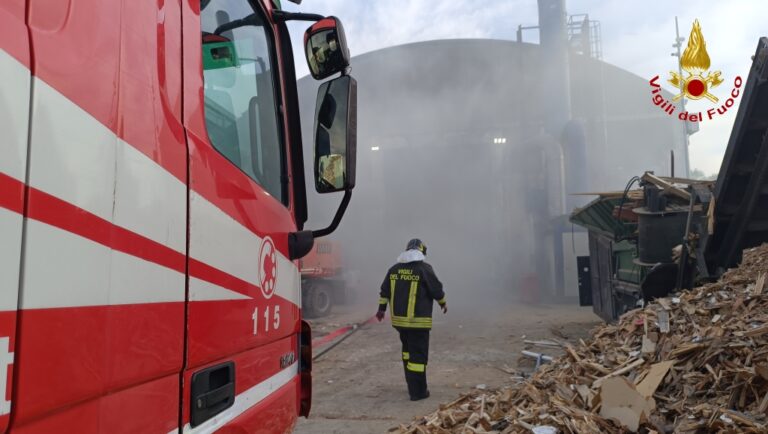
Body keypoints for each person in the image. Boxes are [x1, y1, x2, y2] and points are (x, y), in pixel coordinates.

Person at [376, 239, 446, 401]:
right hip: (418, 323)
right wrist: (443, 302)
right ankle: (418, 392)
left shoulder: (394, 270)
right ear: (421, 252)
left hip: (400, 324)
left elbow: (384, 291)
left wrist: (381, 310)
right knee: (418, 358)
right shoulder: (424, 269)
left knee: (407, 354)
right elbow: (436, 290)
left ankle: (411, 385)